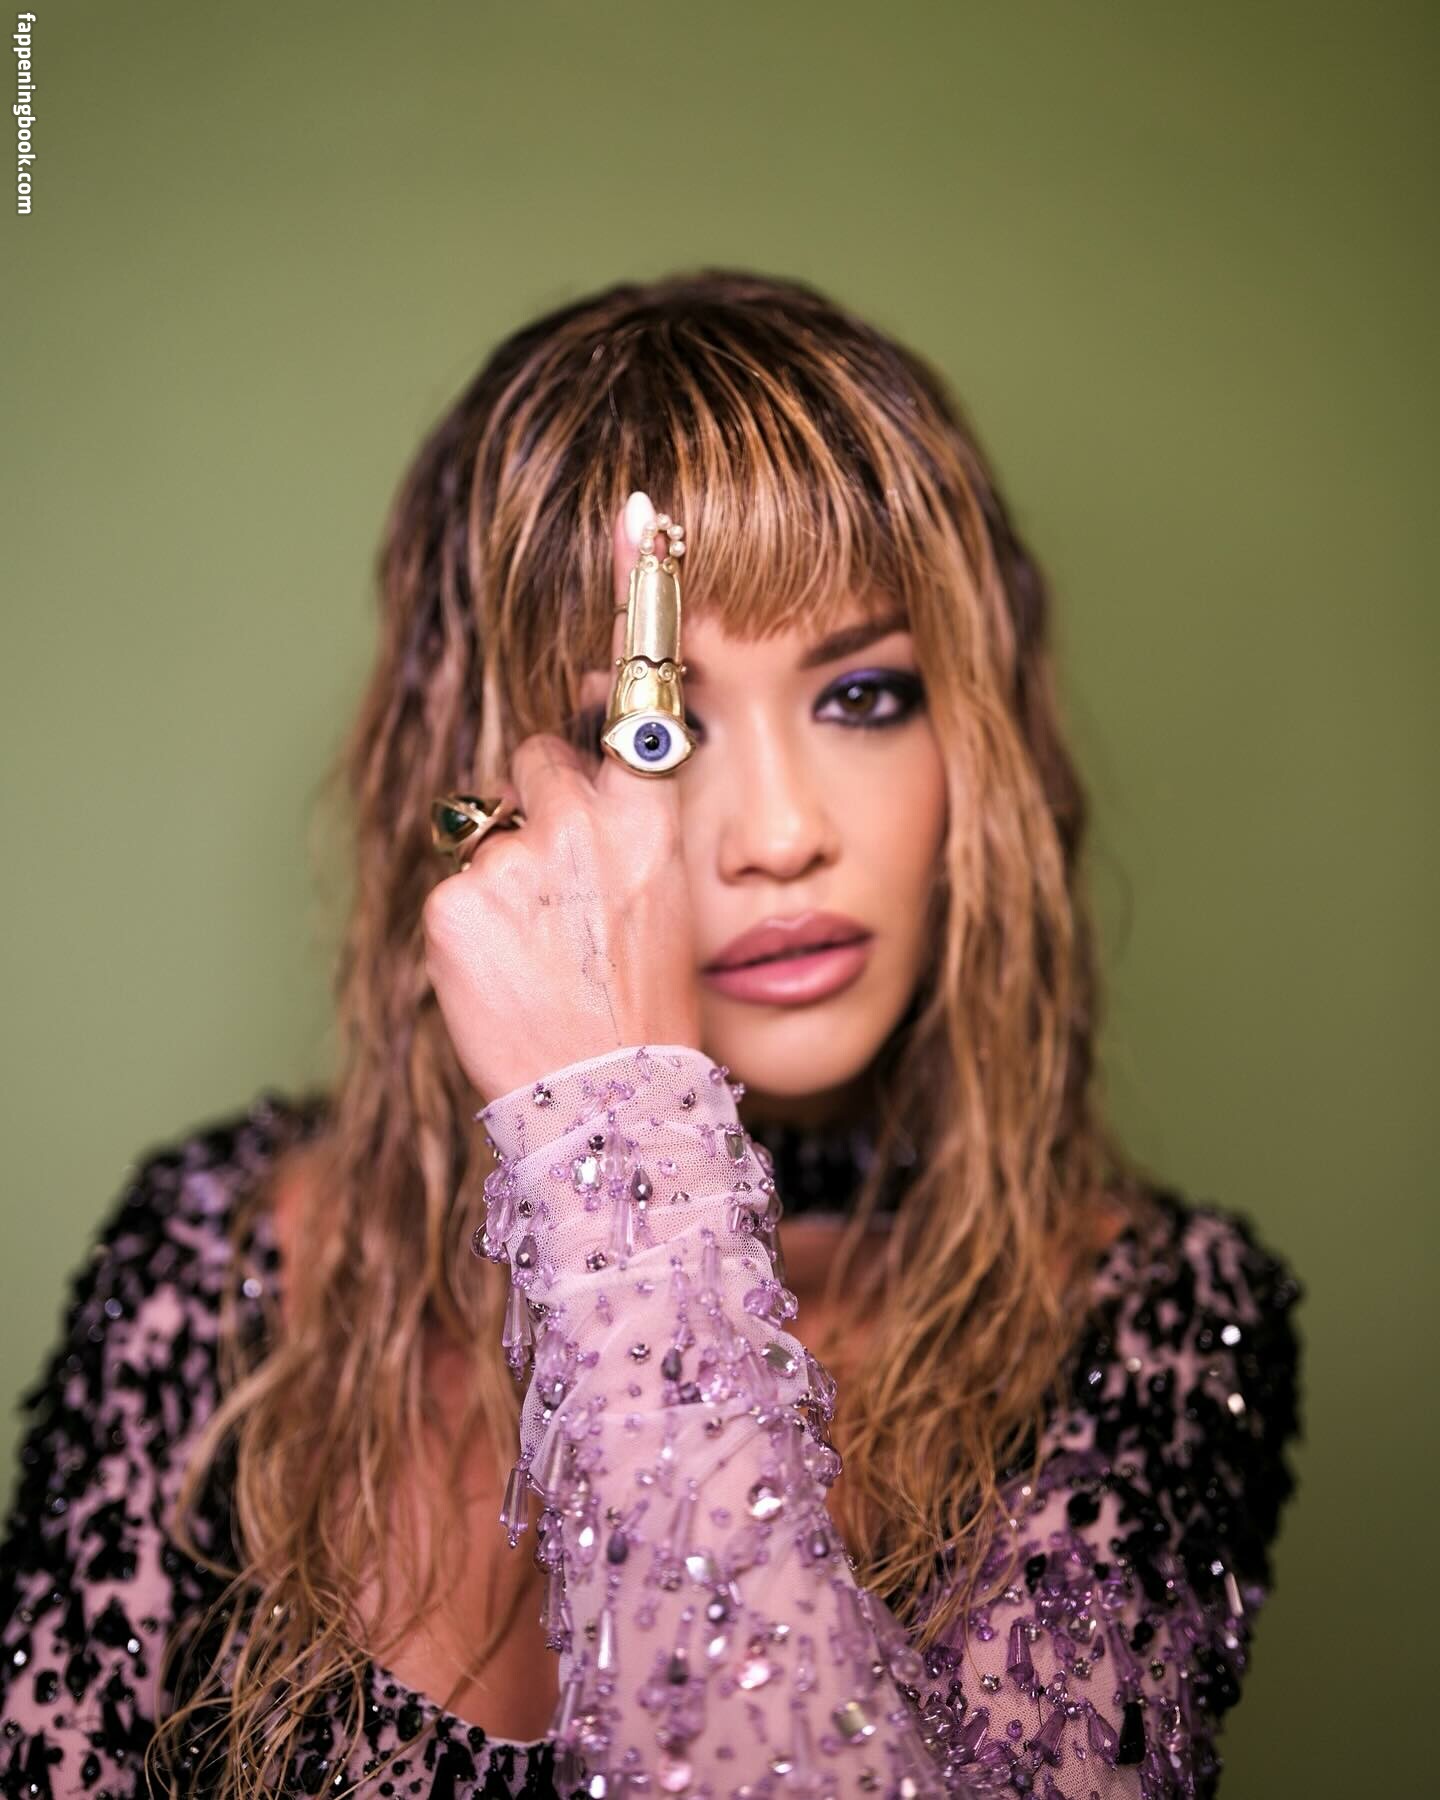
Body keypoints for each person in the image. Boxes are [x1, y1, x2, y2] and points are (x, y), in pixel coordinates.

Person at [0, 271, 1303, 1800]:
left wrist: (619, 1146)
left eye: (865, 695)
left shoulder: (1147, 1323)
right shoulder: (227, 1259)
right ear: (481, 790)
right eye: (649, 729)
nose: (780, 835)